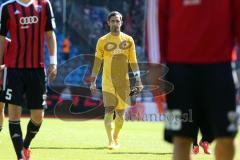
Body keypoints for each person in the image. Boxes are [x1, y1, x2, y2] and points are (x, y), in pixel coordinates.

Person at [159, 0, 239, 160]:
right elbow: (157, 20)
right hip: (178, 71)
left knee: (227, 137)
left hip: (220, 68)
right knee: (180, 138)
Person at [0, 0, 57, 160]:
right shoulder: (7, 7)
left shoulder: (44, 4)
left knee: (38, 117)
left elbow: (50, 34)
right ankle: (20, 156)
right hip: (14, 70)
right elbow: (2, 38)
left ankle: (25, 145)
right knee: (14, 115)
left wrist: (54, 61)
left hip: (37, 69)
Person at [90, 11, 143, 149]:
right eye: (112, 21)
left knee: (120, 114)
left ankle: (116, 136)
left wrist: (138, 80)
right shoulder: (102, 41)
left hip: (124, 82)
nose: (115, 23)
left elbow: (133, 61)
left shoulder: (128, 40)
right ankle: (110, 141)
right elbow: (97, 61)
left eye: (117, 21)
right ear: (108, 23)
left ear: (122, 22)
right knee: (109, 109)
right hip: (107, 81)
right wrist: (93, 80)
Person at [0, 37, 11, 133]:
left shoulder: (8, 43)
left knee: (0, 107)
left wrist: (1, 67)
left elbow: (11, 62)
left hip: (2, 81)